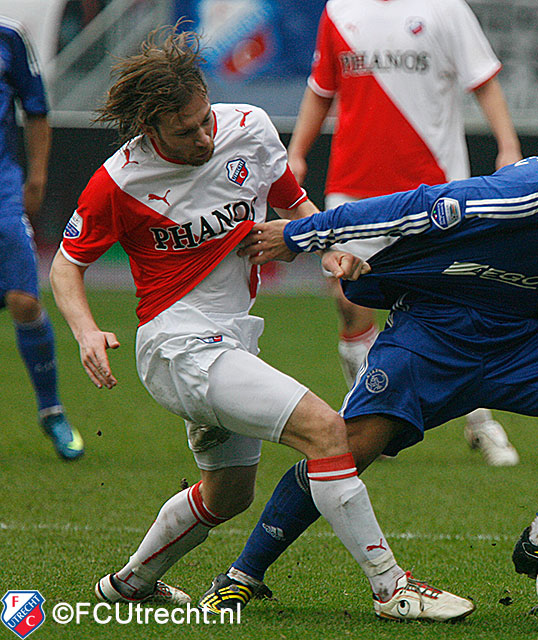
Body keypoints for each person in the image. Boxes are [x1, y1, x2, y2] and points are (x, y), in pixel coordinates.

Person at [48, 25, 473, 622]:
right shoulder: (119, 181)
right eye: (185, 131)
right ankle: (391, 588)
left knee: (228, 495)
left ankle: (129, 584)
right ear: (149, 129)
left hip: (231, 340)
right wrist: (87, 332)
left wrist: (326, 245)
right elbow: (66, 266)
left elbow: (296, 206)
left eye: (204, 120)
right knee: (327, 431)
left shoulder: (248, 127)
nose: (203, 137)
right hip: (176, 347)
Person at [197, 98, 538, 613]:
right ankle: (242, 574)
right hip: (434, 334)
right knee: (342, 451)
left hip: (524, 336)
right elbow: (412, 207)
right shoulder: (524, 194)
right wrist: (299, 235)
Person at [287, 0, 524, 467]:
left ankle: (480, 422)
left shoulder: (446, 9)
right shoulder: (338, 11)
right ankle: (369, 417)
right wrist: (296, 153)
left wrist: (509, 146)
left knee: (457, 310)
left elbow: (484, 81)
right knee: (349, 302)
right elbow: (320, 90)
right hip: (353, 187)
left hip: (435, 191)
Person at [0, 16, 83, 460]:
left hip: (3, 187)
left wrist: (37, 177)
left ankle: (52, 411)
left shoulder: (9, 36)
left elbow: (36, 109)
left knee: (24, 300)